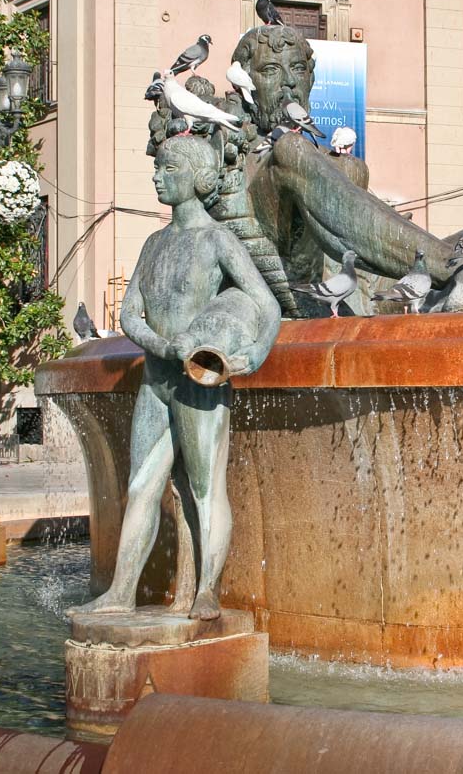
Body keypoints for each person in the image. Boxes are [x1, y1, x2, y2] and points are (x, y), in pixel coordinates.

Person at [69, 134, 281, 620]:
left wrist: (253, 353)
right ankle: (121, 592)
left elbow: (266, 303)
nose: (157, 176)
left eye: (167, 169)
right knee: (142, 487)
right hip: (158, 376)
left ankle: (208, 590)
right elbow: (129, 314)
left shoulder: (217, 240)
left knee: (206, 489)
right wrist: (161, 346)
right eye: (158, 168)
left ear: (196, 178)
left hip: (201, 379)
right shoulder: (154, 242)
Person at [226, 25, 463, 315]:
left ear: (311, 80)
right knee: (294, 149)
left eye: (298, 70)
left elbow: (373, 231)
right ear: (246, 82)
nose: (288, 83)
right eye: (271, 71)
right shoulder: (239, 151)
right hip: (295, 294)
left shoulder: (329, 160)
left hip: (377, 287)